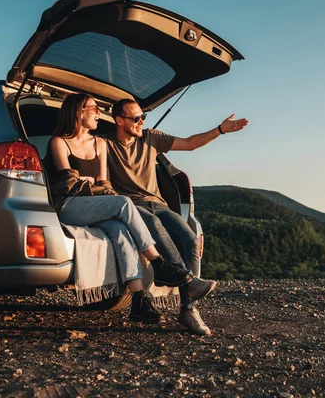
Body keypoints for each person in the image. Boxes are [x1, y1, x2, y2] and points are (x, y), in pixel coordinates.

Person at [45, 93, 212, 329]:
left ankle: (138, 301)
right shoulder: (59, 142)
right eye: (93, 108)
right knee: (124, 203)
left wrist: (93, 184)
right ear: (78, 112)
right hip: (70, 205)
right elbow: (69, 182)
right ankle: (159, 263)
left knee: (121, 230)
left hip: (96, 204)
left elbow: (103, 183)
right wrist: (97, 187)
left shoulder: (99, 144)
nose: (97, 112)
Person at [104, 98, 249, 335]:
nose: (141, 122)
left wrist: (220, 130)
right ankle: (189, 287)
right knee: (156, 227)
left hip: (157, 203)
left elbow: (190, 143)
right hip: (130, 205)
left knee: (191, 240)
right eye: (136, 118)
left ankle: (187, 308)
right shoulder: (105, 144)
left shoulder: (151, 137)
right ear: (119, 121)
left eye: (143, 117)